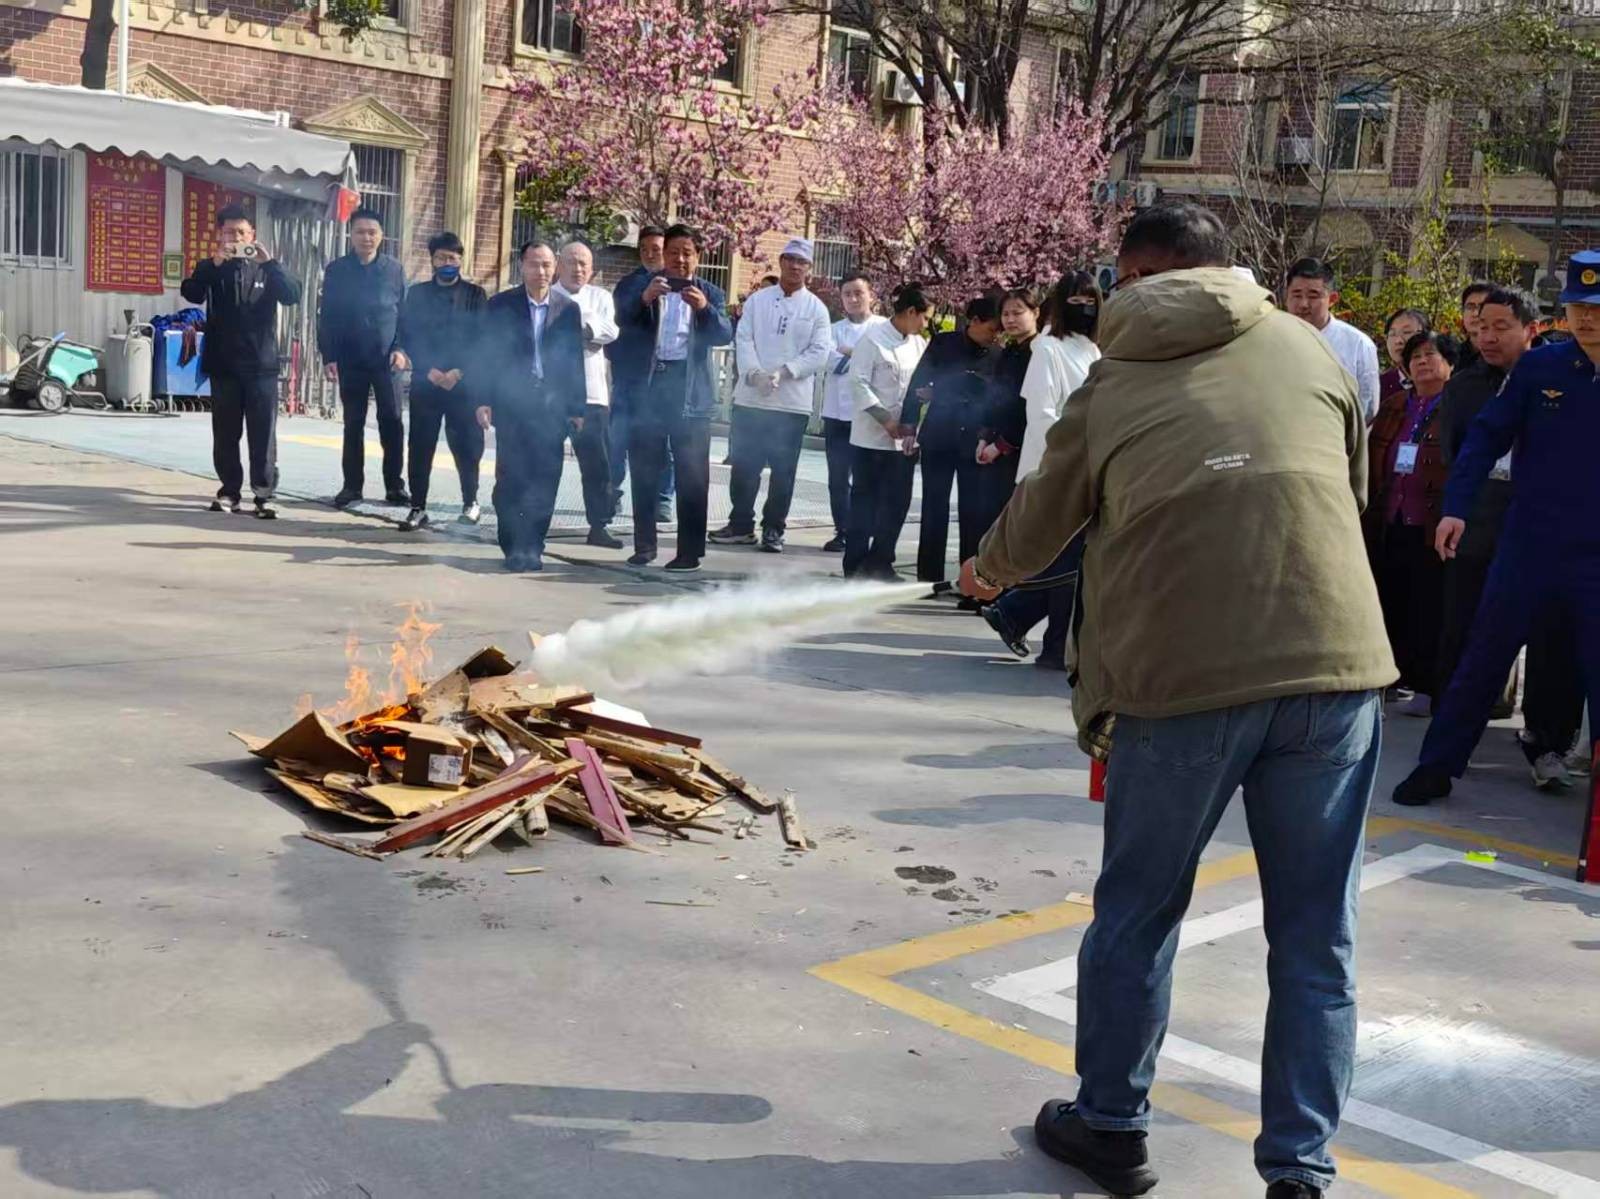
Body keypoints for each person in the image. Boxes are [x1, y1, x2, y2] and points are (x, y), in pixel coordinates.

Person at [961, 203, 1394, 1199]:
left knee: (1141, 909)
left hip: (1182, 676)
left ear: (1132, 276)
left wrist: (986, 570)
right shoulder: (1311, 348)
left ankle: (1111, 1123)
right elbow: (1352, 491)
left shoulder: (1114, 377)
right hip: (1333, 665)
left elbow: (1040, 519)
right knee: (1317, 932)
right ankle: (1300, 1169)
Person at [1392, 252, 1600, 806]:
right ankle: (1436, 767)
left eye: (1597, 309)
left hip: (1594, 554)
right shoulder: (1541, 369)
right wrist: (1456, 507)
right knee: (1482, 657)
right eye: (1578, 308)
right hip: (1529, 544)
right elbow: (1484, 438)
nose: (1587, 319)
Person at [980, 273, 1103, 668]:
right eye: (1075, 301)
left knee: (1070, 558)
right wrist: (1069, 454)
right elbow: (1041, 414)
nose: (1084, 308)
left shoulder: (1093, 349)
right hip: (1052, 467)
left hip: (1084, 466)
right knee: (1067, 557)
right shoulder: (1047, 348)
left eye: (1090, 300)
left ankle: (1017, 616)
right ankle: (1048, 640)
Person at [1434, 286, 1542, 729]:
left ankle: (1542, 729)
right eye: (1481, 328)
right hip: (1476, 520)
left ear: (1531, 329)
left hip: (1535, 523)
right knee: (1462, 620)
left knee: (1541, 628)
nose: (1488, 337)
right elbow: (1455, 452)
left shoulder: (1552, 380)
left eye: (1501, 327)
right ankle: (1449, 716)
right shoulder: (1463, 386)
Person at [616, 223, 733, 573]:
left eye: (687, 253)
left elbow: (723, 333)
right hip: (650, 387)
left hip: (690, 391)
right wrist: (644, 299)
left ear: (698, 257)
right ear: (663, 254)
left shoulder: (710, 292)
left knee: (692, 475)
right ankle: (644, 546)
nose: (679, 259)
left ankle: (689, 553)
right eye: (673, 253)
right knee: (644, 470)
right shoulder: (644, 286)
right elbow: (620, 322)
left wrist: (704, 309)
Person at [710, 238, 833, 554]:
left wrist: (785, 372)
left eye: (802, 262)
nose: (795, 266)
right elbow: (744, 338)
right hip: (752, 398)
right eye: (790, 259)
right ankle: (740, 525)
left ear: (809, 267)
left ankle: (774, 528)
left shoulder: (816, 309)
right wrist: (755, 374)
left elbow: (819, 352)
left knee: (783, 471)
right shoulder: (758, 301)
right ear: (781, 262)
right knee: (744, 466)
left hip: (791, 403)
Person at [472, 240, 586, 573]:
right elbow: (486, 355)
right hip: (512, 402)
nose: (541, 271)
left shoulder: (568, 309)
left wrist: (577, 407)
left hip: (551, 407)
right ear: (521, 266)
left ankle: (534, 546)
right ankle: (512, 545)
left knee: (546, 478)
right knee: (511, 478)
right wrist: (483, 399)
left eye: (547, 264)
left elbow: (574, 361)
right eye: (534, 264)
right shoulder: (500, 305)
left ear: (556, 268)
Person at [180, 203, 300, 520]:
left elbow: (292, 295)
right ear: (220, 235)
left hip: (261, 366)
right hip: (224, 365)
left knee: (263, 433)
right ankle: (229, 490)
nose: (236, 238)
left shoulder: (267, 268)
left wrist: (270, 263)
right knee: (225, 433)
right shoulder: (212, 267)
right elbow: (191, 293)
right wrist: (214, 264)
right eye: (230, 232)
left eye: (242, 232)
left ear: (252, 234)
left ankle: (264, 494)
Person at [1366, 331, 1456, 715]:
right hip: (1392, 515)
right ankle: (1391, 678)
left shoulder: (1458, 405)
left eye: (1430, 354)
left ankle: (1427, 687)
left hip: (1434, 522)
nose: (1421, 361)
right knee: (1390, 598)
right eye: (1415, 356)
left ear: (1450, 363)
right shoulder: (1395, 405)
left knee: (1428, 606)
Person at [902, 294, 1003, 583]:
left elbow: (997, 398)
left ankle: (969, 578)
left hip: (975, 441)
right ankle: (929, 578)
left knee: (973, 512)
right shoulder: (943, 343)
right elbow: (919, 382)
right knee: (934, 506)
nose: (996, 335)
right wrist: (909, 424)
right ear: (974, 321)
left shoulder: (998, 355)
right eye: (992, 328)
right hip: (939, 435)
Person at [396, 231, 487, 532]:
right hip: (427, 382)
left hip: (463, 384)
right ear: (432, 261)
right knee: (420, 445)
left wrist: (459, 372)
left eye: (452, 258)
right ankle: (418, 506)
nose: (447, 263)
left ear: (460, 260)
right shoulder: (417, 294)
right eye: (440, 258)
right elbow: (409, 333)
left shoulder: (475, 295)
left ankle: (471, 502)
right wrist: (428, 370)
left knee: (467, 445)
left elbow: (482, 339)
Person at [320, 207, 410, 508]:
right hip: (351, 359)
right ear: (351, 235)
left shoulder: (394, 270)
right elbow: (327, 316)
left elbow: (405, 315)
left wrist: (401, 349)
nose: (366, 238)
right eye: (360, 232)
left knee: (392, 421)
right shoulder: (337, 270)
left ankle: (395, 486)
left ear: (381, 235)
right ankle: (351, 486)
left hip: (387, 360)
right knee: (353, 422)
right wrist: (329, 355)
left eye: (372, 232)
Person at [843, 283, 933, 580]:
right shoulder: (873, 340)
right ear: (911, 312)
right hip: (871, 438)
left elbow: (922, 383)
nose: (925, 324)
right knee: (864, 503)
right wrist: (885, 420)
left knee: (896, 504)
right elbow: (858, 383)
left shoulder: (918, 344)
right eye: (924, 317)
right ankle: (855, 564)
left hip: (904, 440)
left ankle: (881, 561)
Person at [553, 240, 623, 548]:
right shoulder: (548, 295)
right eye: (571, 261)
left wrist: (583, 330)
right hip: (554, 395)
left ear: (592, 269)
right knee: (545, 462)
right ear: (559, 264)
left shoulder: (600, 296)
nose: (578, 268)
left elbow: (611, 331)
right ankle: (535, 521)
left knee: (597, 466)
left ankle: (599, 525)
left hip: (593, 396)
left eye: (584, 263)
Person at [607, 226, 675, 524]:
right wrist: (644, 298)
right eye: (644, 248)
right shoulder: (628, 284)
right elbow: (619, 319)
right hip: (630, 374)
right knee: (618, 437)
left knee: (664, 442)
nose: (649, 254)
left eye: (656, 248)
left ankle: (663, 498)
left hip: (664, 379)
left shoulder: (681, 284)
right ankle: (612, 493)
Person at [820, 272, 886, 552]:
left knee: (868, 477)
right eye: (847, 294)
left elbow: (881, 365)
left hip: (870, 415)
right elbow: (827, 361)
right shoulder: (832, 329)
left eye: (859, 293)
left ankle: (868, 530)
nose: (853, 299)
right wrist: (859, 355)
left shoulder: (883, 328)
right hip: (836, 413)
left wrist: (849, 353)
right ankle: (843, 530)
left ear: (871, 295)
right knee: (838, 477)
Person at [973, 288, 1039, 536]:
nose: (1010, 319)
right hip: (995, 448)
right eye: (1006, 314)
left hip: (1022, 450)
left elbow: (1029, 407)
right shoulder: (1008, 352)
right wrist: (984, 437)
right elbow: (994, 399)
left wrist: (1001, 445)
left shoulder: (1040, 352)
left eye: (1017, 313)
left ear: (1035, 313)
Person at [1284, 257, 1380, 422]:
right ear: (1286, 296)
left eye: (1313, 296)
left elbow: (1368, 407)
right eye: (1297, 295)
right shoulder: (1271, 338)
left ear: (1333, 299)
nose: (1303, 304)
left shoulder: (1358, 345)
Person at [1379, 308, 1429, 403]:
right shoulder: (1380, 385)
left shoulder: (1440, 381)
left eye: (1407, 332)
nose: (1398, 341)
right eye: (1392, 334)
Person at [1457, 280, 1495, 371]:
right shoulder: (1453, 356)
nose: (1475, 313)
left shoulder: (1505, 355)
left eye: (1482, 307)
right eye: (1470, 307)